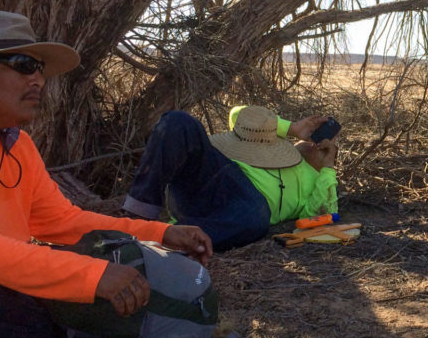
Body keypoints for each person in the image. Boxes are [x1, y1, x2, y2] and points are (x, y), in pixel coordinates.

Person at [0, 9, 213, 338]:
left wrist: (158, 233)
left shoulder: (17, 145)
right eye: (22, 64)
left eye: (40, 68)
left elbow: (64, 221)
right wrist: (89, 275)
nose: (38, 80)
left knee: (53, 302)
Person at [123, 104, 339, 250]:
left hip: (240, 209)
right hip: (217, 173)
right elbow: (240, 113)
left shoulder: (316, 180)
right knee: (177, 121)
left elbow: (323, 214)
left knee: (257, 218)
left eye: (324, 149)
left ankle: (168, 236)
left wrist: (328, 168)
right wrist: (293, 128)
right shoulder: (268, 139)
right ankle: (137, 220)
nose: (316, 145)